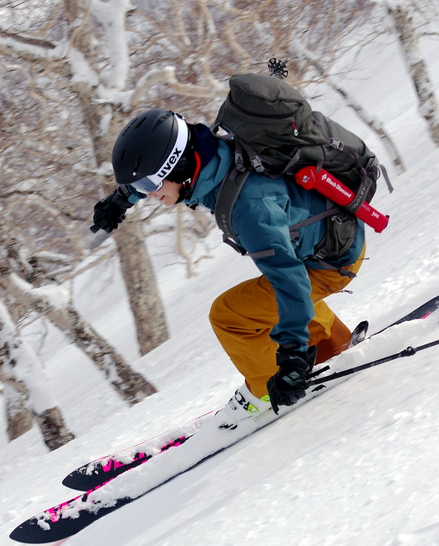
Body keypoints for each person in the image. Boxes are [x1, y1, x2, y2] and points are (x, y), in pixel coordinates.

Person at [92, 107, 366, 424]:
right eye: (143, 188)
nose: (150, 194)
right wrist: (122, 198)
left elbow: (291, 283)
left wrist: (292, 359)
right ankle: (333, 345)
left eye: (150, 185)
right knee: (268, 295)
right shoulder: (212, 156)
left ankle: (266, 390)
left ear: (178, 167)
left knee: (230, 315)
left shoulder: (246, 206)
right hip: (328, 235)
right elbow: (167, 167)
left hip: (330, 261)